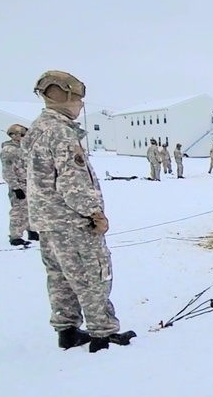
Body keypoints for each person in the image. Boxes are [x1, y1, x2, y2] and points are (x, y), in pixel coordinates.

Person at [24, 70, 133, 352]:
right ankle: (103, 333)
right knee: (92, 276)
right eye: (79, 99)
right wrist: (94, 214)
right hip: (73, 222)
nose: (81, 105)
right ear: (68, 96)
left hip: (48, 222)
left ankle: (67, 331)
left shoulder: (38, 130)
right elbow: (73, 182)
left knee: (60, 278)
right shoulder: (60, 132)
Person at [0, 123, 38, 246]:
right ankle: (15, 235)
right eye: (20, 135)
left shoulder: (24, 148)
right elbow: (7, 170)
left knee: (31, 209)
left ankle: (31, 230)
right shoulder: (8, 150)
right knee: (19, 211)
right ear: (13, 135)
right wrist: (15, 187)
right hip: (19, 185)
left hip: (29, 183)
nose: (23, 137)